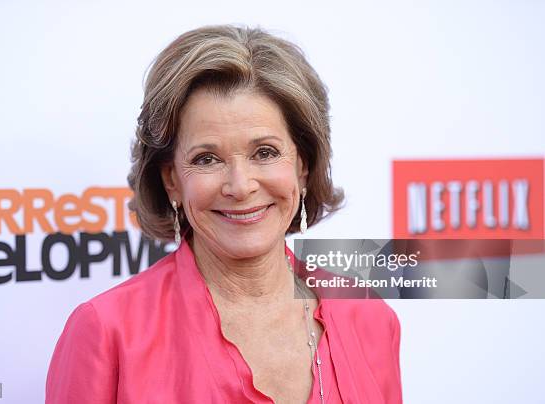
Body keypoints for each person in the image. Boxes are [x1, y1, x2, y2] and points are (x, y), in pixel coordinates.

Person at [46, 24, 402, 403]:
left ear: (303, 166)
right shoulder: (107, 331)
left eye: (264, 152)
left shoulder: (368, 316)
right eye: (207, 159)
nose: (240, 185)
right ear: (172, 181)